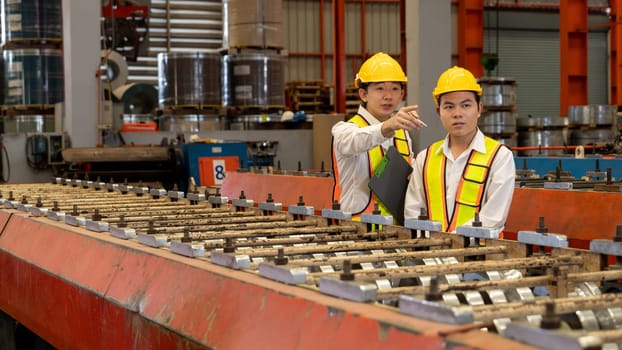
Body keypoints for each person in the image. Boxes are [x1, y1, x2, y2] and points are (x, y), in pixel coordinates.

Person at [403, 66, 515, 232]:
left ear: (479, 109)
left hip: (482, 255)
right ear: (438, 112)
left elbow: (493, 218)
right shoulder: (425, 158)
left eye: (465, 105)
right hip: (431, 254)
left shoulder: (499, 157)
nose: (457, 113)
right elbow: (413, 213)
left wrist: (450, 243)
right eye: (449, 107)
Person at [331, 52, 427, 218]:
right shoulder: (345, 131)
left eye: (395, 89)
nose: (388, 96)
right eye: (380, 88)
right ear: (363, 94)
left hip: (396, 232)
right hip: (357, 232)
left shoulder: (402, 134)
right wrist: (388, 126)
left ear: (401, 95)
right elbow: (356, 141)